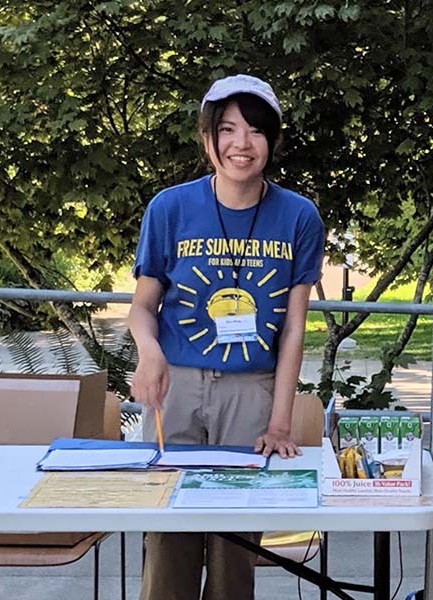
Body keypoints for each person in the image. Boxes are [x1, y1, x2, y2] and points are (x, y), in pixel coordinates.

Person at [128, 74, 325, 600]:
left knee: (236, 550)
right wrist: (150, 355)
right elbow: (142, 309)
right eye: (229, 129)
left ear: (272, 141)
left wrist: (281, 419)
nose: (243, 144)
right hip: (178, 390)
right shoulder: (169, 208)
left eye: (256, 131)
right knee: (169, 541)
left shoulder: (299, 215)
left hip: (251, 391)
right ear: (207, 137)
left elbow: (294, 329)